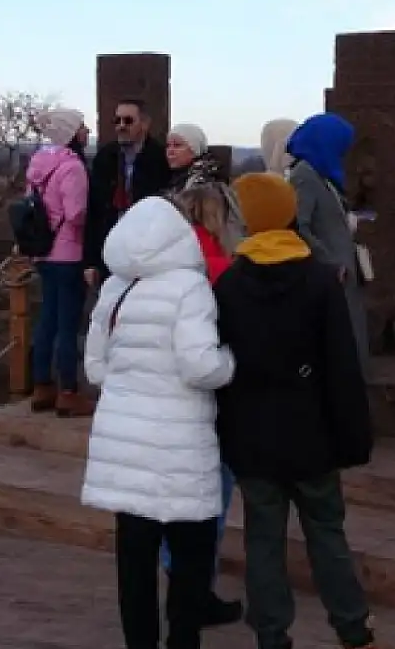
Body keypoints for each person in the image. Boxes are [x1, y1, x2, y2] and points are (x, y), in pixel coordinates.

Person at [214, 173, 377, 649]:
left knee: (262, 539)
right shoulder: (320, 280)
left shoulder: (229, 285)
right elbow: (341, 367)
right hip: (312, 433)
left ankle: (270, 635)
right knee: (327, 532)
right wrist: (353, 437)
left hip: (253, 432)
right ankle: (353, 630)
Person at [82, 196, 236, 649]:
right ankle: (183, 642)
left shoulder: (115, 289)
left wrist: (131, 391)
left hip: (125, 444)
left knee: (134, 561)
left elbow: (95, 368)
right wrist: (231, 361)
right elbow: (199, 368)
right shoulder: (189, 288)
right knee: (190, 556)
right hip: (180, 445)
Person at [162, 186, 245, 628]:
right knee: (214, 490)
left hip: (162, 401)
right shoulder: (221, 270)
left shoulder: (161, 269)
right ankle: (195, 591)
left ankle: (176, 573)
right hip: (210, 396)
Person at [24, 108, 94, 417]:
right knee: (68, 323)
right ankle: (68, 391)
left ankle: (42, 386)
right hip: (68, 253)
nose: (87, 130)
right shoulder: (73, 168)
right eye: (81, 126)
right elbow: (76, 213)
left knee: (47, 320)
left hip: (43, 252)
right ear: (70, 132)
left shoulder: (39, 164)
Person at [285, 113, 368, 366]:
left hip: (340, 271)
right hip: (331, 272)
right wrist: (328, 262)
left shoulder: (321, 174)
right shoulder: (304, 174)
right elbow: (300, 224)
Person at [85, 98, 168, 291]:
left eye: (128, 121)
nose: (121, 126)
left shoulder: (160, 161)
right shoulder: (106, 157)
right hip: (110, 248)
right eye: (117, 121)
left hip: (146, 253)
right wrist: (90, 261)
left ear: (145, 124)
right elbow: (94, 210)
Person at [166, 122, 245, 249]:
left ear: (194, 149)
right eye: (168, 146)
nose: (170, 151)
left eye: (177, 145)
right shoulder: (177, 179)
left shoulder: (205, 185)